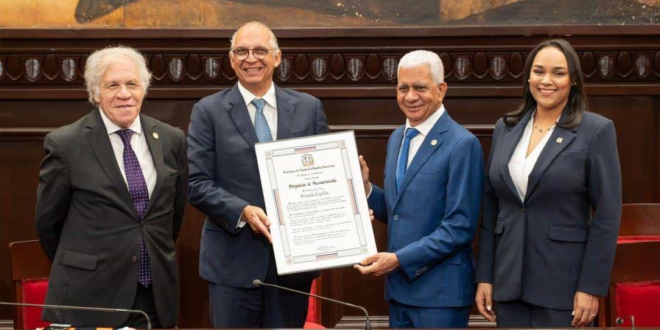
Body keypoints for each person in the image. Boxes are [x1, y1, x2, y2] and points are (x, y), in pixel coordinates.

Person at [187, 21, 328, 328]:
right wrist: (243, 211)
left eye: (260, 50)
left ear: (277, 57)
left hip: (292, 266)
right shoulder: (207, 111)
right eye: (242, 51)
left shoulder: (309, 108)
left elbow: (321, 178)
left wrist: (348, 196)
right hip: (231, 265)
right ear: (231, 59)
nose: (251, 58)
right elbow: (196, 184)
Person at [35, 46, 188, 328]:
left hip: (153, 294)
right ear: (95, 93)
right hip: (90, 295)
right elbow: (48, 223)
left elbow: (172, 218)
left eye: (132, 84)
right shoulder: (66, 143)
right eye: (112, 85)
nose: (124, 94)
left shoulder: (171, 139)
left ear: (144, 88)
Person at [474, 39, 622, 328]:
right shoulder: (506, 127)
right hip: (508, 283)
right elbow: (491, 210)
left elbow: (607, 215)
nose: (547, 81)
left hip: (563, 287)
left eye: (558, 73)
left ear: (574, 81)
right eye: (539, 71)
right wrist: (485, 276)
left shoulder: (595, 130)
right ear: (528, 76)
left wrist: (591, 287)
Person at [355, 50, 484, 328]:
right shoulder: (397, 138)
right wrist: (366, 188)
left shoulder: (463, 144)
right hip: (400, 292)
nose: (410, 96)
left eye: (420, 87)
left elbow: (460, 227)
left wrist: (398, 260)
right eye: (403, 88)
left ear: (441, 90)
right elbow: (399, 210)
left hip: (440, 296)